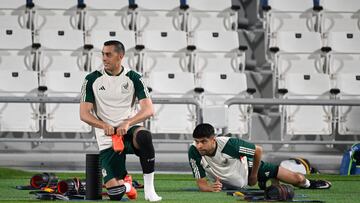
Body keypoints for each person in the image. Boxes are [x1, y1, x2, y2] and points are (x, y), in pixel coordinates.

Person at [80, 40, 162, 201]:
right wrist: (103, 125)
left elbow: (149, 110)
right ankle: (128, 184)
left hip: (128, 131)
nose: (104, 58)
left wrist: (128, 123)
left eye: (108, 54)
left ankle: (149, 189)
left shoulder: (134, 77)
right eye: (103, 54)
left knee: (144, 136)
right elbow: (84, 114)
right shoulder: (91, 79)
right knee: (115, 194)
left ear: (120, 56)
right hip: (107, 138)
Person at [188, 123, 331, 192]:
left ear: (213, 139)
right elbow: (201, 183)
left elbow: (257, 150)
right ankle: (267, 180)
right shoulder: (194, 151)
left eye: (203, 141)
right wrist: (211, 188)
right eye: (197, 141)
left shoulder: (231, 145)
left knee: (298, 179)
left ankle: (310, 182)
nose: (199, 145)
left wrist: (254, 176)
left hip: (249, 168)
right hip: (228, 182)